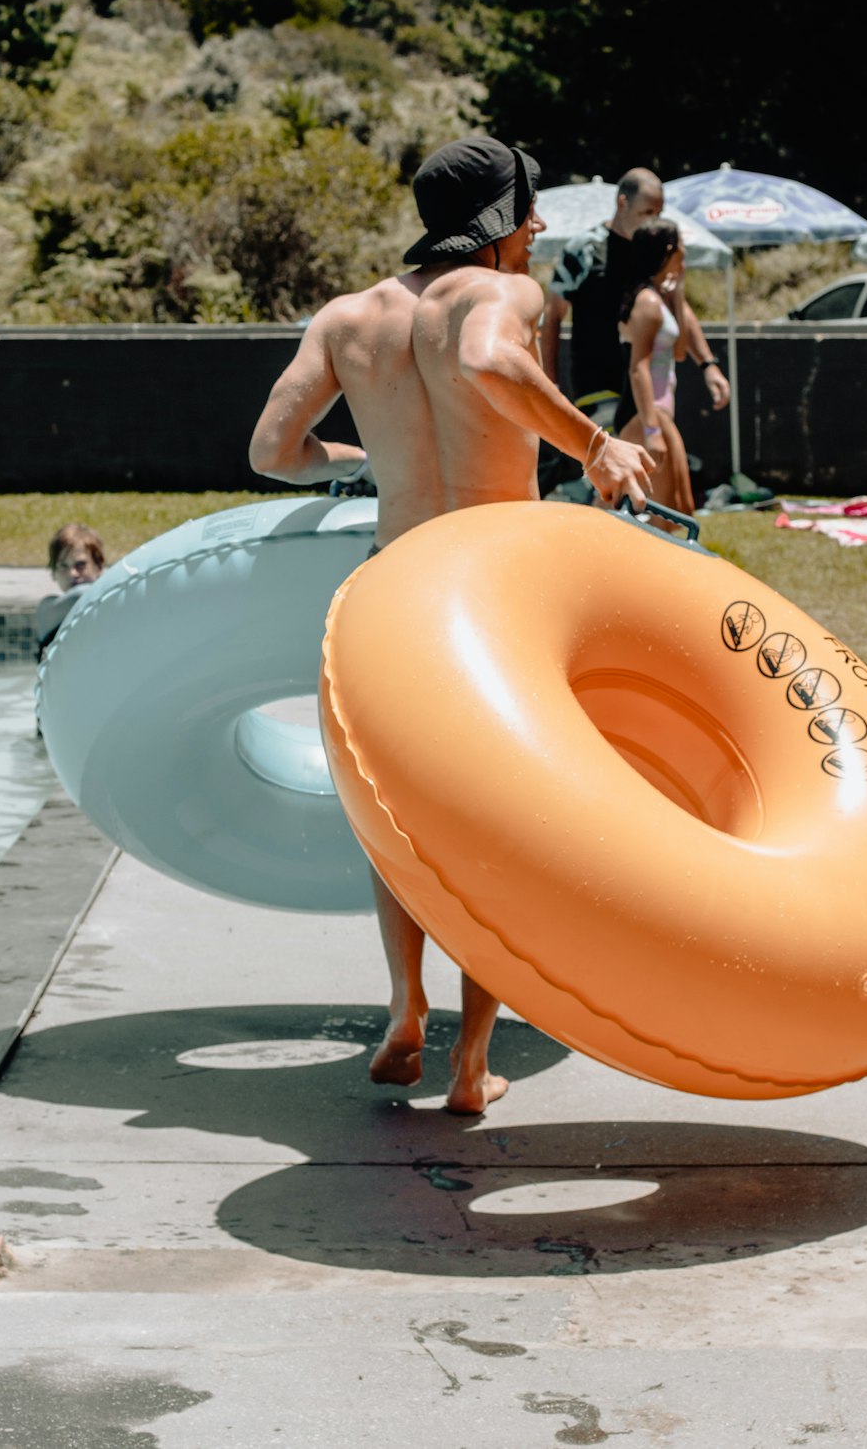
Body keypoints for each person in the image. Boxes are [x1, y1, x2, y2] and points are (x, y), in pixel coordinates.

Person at [249, 135, 654, 1116]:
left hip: (395, 585)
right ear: (501, 221)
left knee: (405, 811)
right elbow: (481, 361)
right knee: (497, 826)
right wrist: (598, 446)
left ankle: (401, 1008)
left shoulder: (350, 316)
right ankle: (471, 1063)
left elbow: (271, 450)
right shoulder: (504, 296)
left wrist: (363, 458)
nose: (541, 229)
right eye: (532, 210)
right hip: (485, 590)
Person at [541, 166, 730, 413]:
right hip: (597, 385)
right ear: (622, 203)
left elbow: (676, 304)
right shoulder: (586, 249)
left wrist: (708, 365)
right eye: (647, 212)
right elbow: (553, 315)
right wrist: (550, 382)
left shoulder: (655, 250)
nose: (654, 220)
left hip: (649, 389)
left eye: (659, 213)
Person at [614, 219, 696, 520]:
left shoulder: (656, 297)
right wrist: (650, 430)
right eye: (681, 245)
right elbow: (638, 368)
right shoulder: (647, 302)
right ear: (670, 250)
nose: (685, 251)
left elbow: (679, 351)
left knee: (677, 509)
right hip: (644, 416)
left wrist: (678, 292)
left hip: (657, 414)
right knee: (668, 514)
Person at [35, 523, 106, 659]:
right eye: (63, 566)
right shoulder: (48, 609)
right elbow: (80, 595)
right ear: (53, 573)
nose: (72, 573)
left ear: (99, 566)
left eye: (80, 565)